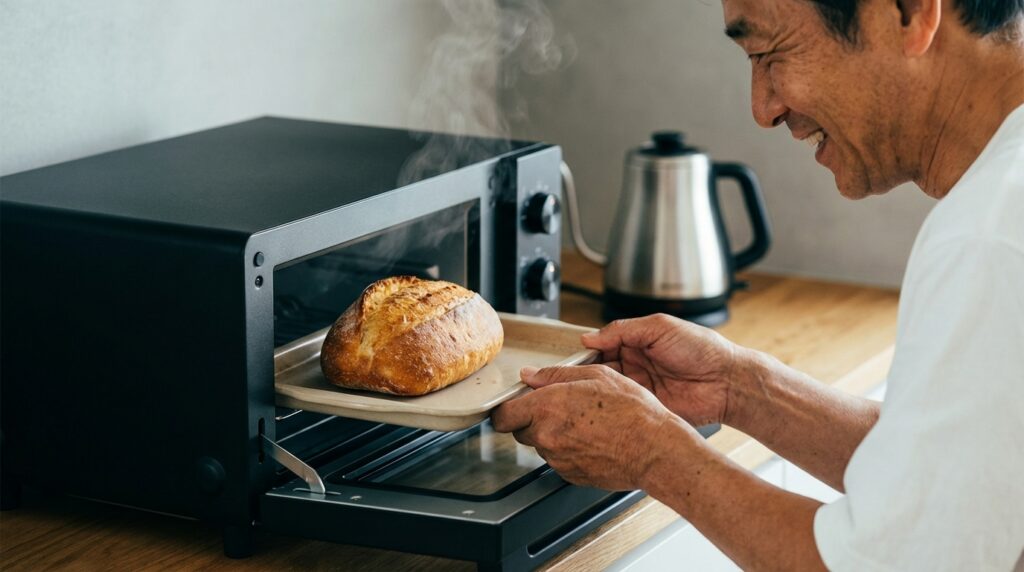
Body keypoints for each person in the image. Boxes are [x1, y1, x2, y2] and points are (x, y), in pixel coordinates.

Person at [492, 0, 1024, 569]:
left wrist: (652, 453)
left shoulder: (990, 235)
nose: (763, 109)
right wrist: (738, 387)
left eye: (771, 53)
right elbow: (956, 472)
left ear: (910, 13)